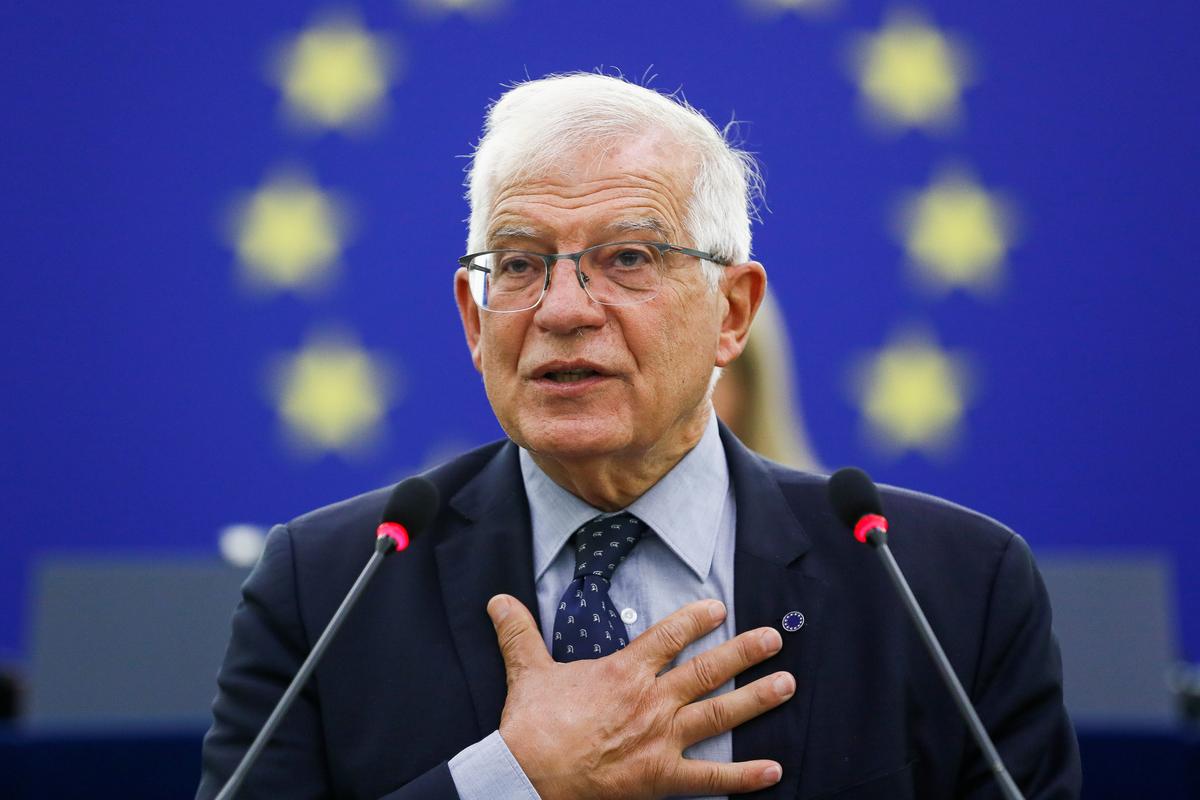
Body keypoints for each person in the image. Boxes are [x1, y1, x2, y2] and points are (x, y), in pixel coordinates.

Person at [197, 73, 1080, 799]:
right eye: (519, 263)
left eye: (628, 258)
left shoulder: (951, 586)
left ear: (732, 314)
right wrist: (511, 781)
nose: (564, 310)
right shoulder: (327, 586)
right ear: (474, 320)